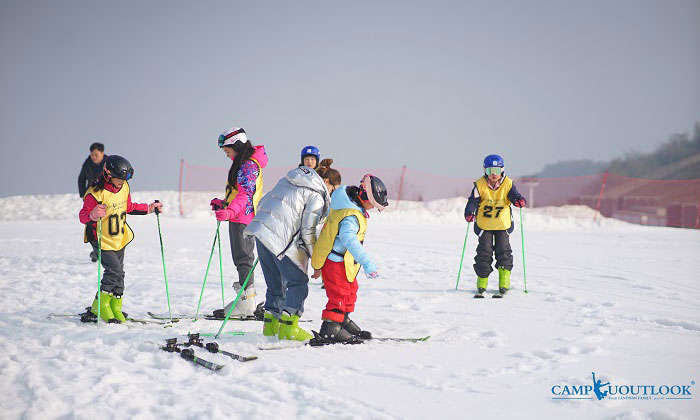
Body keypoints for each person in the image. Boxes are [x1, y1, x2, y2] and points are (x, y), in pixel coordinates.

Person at [245, 158, 341, 341]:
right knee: (297, 283)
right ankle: (289, 329)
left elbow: (264, 200)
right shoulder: (316, 194)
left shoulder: (288, 180)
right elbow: (308, 231)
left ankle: (271, 327)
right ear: (327, 182)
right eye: (334, 190)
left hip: (261, 232)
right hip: (280, 239)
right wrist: (316, 260)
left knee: (275, 285)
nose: (332, 195)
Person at [78, 155, 162, 322]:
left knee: (119, 274)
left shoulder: (124, 187)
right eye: (120, 178)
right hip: (102, 239)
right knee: (114, 271)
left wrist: (149, 208)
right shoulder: (95, 193)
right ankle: (101, 306)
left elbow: (128, 206)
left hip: (119, 238)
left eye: (127, 178)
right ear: (108, 174)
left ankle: (115, 306)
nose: (123, 181)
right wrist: (92, 215)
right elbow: (83, 216)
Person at [310, 174, 388, 343]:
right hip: (335, 262)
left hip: (343, 263)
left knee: (351, 289)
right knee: (339, 293)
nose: (372, 208)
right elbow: (349, 240)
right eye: (372, 204)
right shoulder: (351, 216)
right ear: (365, 197)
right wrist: (367, 263)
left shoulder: (353, 208)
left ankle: (342, 320)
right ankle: (330, 328)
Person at [210, 127, 268, 318]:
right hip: (239, 216)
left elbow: (246, 195)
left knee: (244, 259)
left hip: (243, 218)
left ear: (237, 145)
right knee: (241, 259)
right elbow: (237, 192)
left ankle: (247, 303)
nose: (227, 155)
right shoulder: (242, 163)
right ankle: (244, 300)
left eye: (228, 151)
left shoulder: (248, 165)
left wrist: (230, 211)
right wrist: (224, 203)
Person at [463, 154, 526, 298]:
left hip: (502, 224)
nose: (493, 174)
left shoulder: (508, 184)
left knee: (503, 251)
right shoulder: (479, 185)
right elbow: (472, 202)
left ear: (502, 170)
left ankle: (504, 282)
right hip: (484, 225)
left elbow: (515, 196)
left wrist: (519, 201)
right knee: (484, 252)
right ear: (485, 170)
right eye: (490, 170)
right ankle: (482, 282)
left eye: (496, 171)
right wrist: (469, 212)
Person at [78, 142, 107, 262]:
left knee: (104, 226)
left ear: (102, 153)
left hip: (106, 198)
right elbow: (81, 179)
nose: (93, 157)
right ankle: (97, 252)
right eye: (92, 155)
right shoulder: (87, 163)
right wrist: (83, 195)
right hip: (92, 198)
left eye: (96, 155)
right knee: (91, 227)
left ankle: (104, 251)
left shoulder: (109, 163)